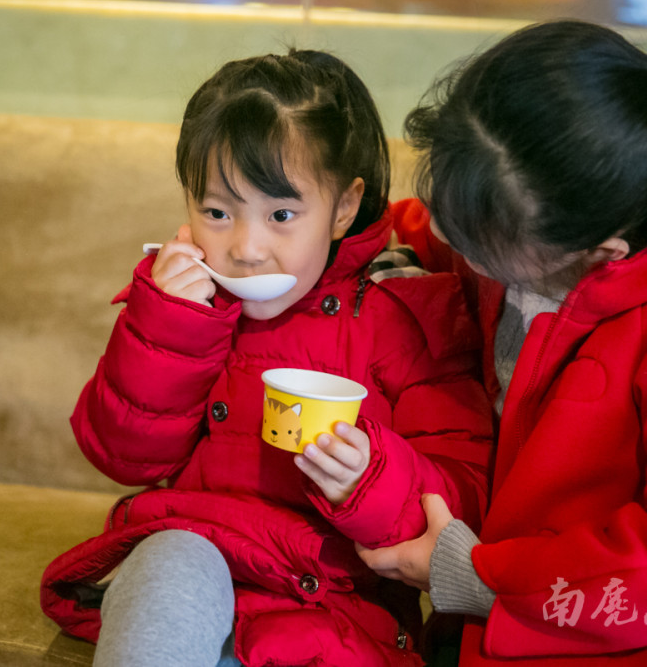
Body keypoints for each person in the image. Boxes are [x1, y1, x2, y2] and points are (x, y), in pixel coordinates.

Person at [40, 49, 494, 667]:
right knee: (171, 556)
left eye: (281, 214)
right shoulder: (184, 300)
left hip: (331, 602)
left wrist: (371, 479)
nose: (245, 249)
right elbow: (120, 455)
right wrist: (169, 325)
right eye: (216, 212)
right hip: (195, 555)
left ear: (342, 206)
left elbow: (463, 502)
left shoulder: (409, 314)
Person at [357, 19, 647, 665]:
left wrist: (477, 580)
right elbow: (433, 229)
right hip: (511, 563)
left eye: (481, 255)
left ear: (599, 257)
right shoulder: (549, 201)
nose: (456, 247)